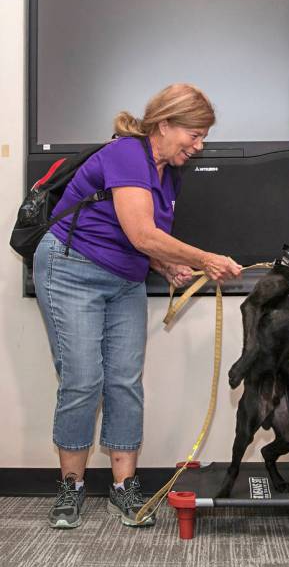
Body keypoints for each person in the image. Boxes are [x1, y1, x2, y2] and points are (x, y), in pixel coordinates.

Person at [34, 83, 243, 529]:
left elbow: (139, 235)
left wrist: (163, 267)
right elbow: (141, 233)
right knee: (83, 380)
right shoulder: (129, 154)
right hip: (71, 269)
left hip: (124, 277)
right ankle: (70, 488)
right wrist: (204, 258)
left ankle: (123, 489)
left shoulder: (171, 171)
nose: (200, 145)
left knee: (125, 381)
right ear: (164, 125)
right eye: (195, 133)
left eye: (204, 136)